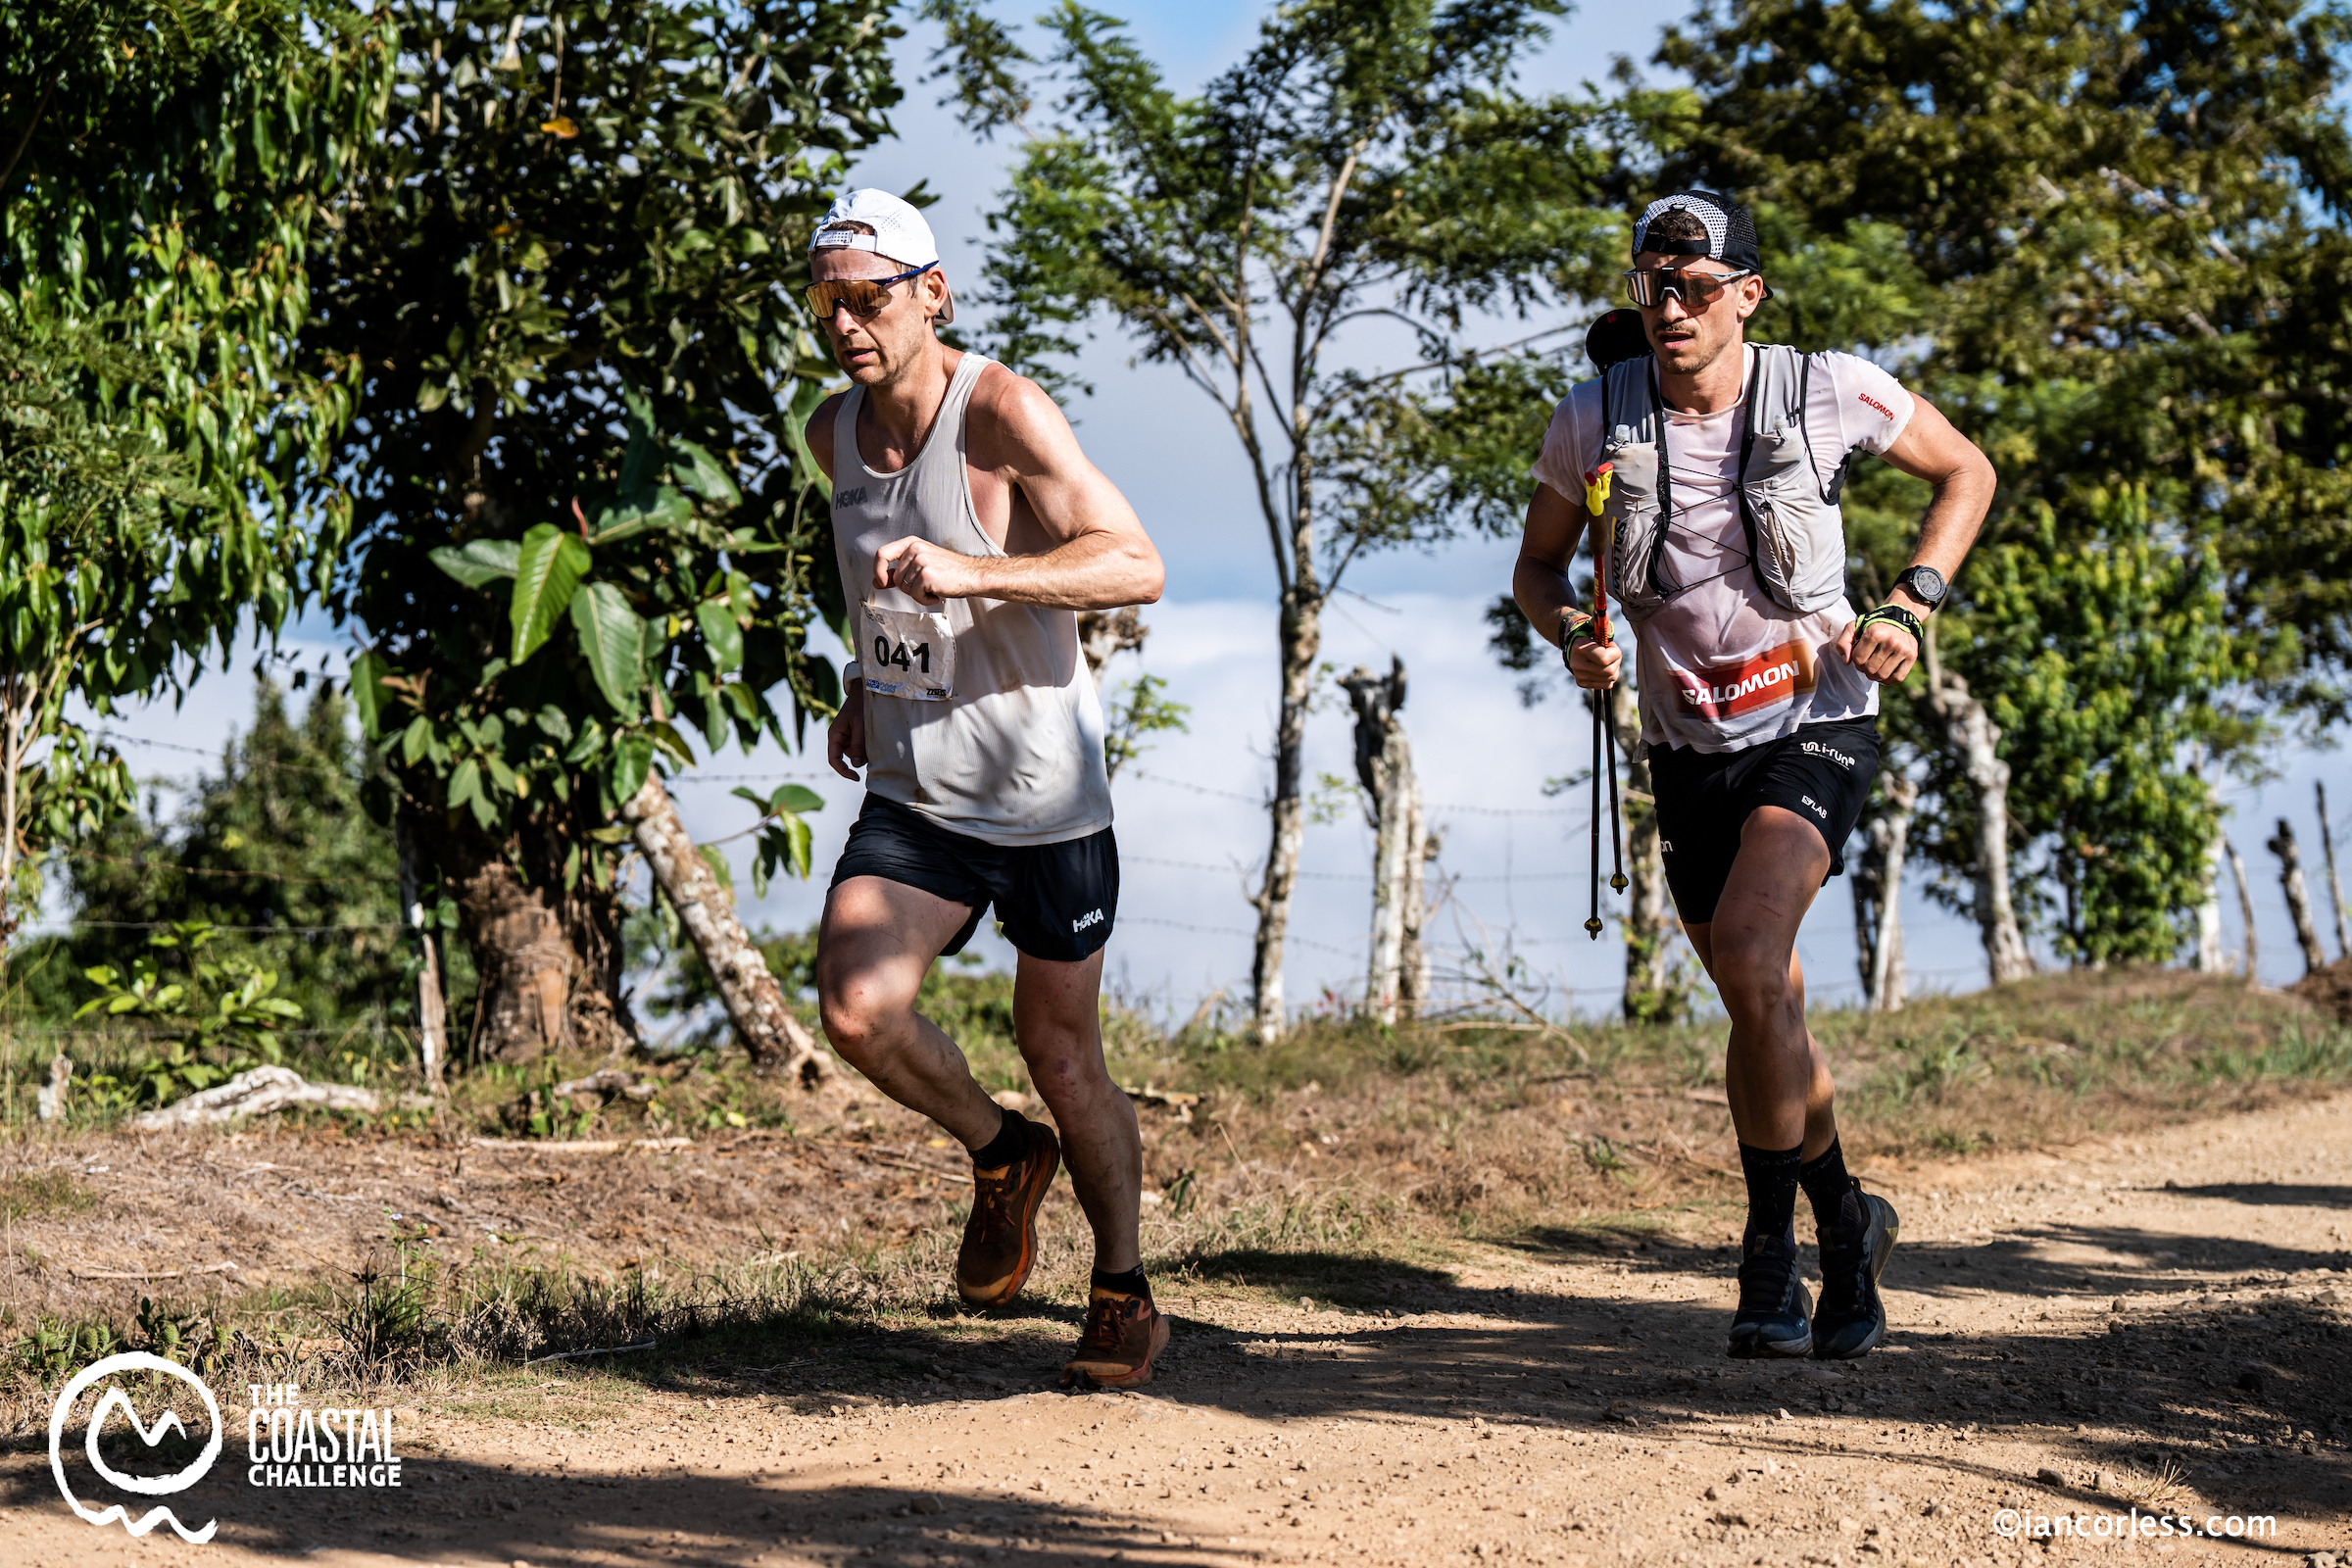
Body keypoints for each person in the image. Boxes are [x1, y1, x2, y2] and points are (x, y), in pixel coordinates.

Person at [1512, 192, 1995, 1359]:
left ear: (1746, 295)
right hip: (1686, 748)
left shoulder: (1826, 388)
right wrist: (1574, 631)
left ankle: (1769, 1261)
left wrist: (1912, 602)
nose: (1669, 308)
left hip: (1817, 719)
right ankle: (1849, 1221)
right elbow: (1535, 569)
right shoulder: (1593, 416)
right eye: (1651, 286)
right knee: (1761, 998)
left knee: (1746, 951)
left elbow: (1965, 472)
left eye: (1693, 287)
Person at [802, 188, 1170, 1388]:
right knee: (857, 1008)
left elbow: (1136, 563)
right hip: (916, 791)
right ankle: (1004, 1152)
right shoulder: (831, 432)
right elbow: (870, 585)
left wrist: (976, 570)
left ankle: (1121, 1285)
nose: (845, 323)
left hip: (1043, 798)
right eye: (825, 301)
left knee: (1061, 1055)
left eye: (869, 298)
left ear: (932, 294)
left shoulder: (999, 410)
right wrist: (866, 682)